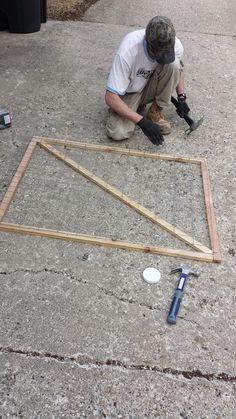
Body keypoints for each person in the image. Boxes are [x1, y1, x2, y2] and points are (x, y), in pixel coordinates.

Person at [105, 16, 190, 146]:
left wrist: (182, 97)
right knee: (118, 133)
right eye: (158, 52)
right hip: (130, 92)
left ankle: (155, 111)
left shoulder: (174, 44)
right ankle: (129, 108)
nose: (162, 56)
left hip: (150, 84)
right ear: (147, 41)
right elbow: (110, 97)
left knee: (174, 64)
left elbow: (178, 70)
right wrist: (142, 123)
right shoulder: (128, 50)